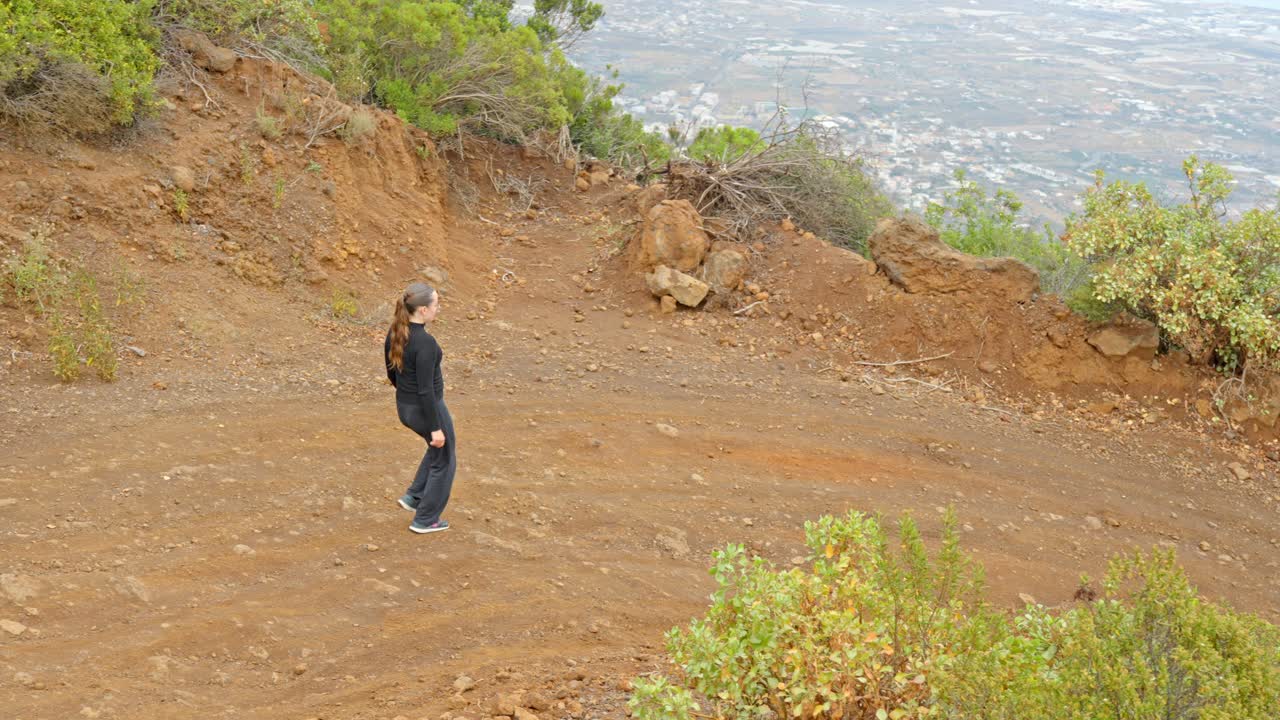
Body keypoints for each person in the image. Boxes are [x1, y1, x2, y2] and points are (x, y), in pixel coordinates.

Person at [384, 282, 456, 534]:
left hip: (406, 407)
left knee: (437, 451)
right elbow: (426, 389)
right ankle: (426, 519)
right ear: (423, 310)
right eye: (436, 304)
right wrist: (435, 427)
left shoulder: (396, 333)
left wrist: (406, 394)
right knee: (445, 459)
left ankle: (414, 496)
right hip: (427, 408)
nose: (439, 308)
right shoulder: (424, 342)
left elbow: (391, 372)